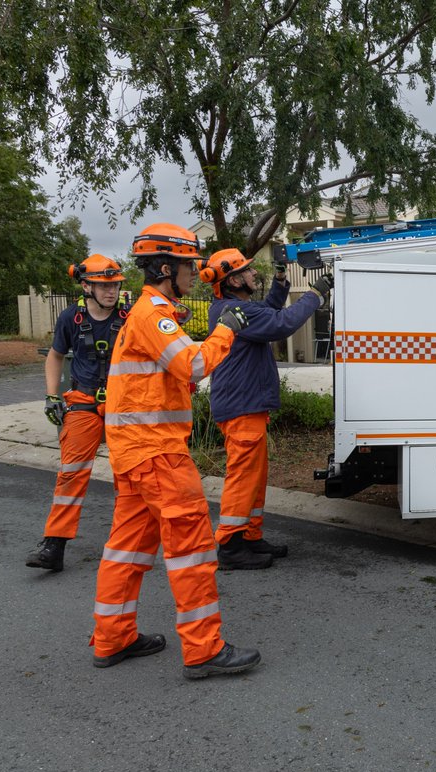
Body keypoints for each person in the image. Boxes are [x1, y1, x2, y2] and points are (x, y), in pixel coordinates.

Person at [90, 222, 260, 679]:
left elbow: (170, 371)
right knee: (193, 549)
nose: (194, 272)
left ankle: (113, 637)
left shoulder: (150, 314)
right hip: (158, 454)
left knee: (126, 549)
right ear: (167, 268)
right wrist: (224, 329)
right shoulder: (152, 314)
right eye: (188, 265)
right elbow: (195, 364)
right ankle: (203, 650)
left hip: (135, 453)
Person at [200, 249, 333, 569]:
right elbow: (282, 322)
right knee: (243, 478)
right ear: (233, 280)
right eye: (247, 271)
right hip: (241, 406)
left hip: (245, 405)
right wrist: (315, 294)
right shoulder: (234, 309)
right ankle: (230, 546)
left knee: (255, 478)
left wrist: (281, 280)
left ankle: (249, 537)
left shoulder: (233, 307)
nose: (252, 274)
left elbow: (269, 310)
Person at [27, 255, 129, 572]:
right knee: (71, 474)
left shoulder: (131, 316)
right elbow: (55, 356)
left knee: (129, 474)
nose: (111, 291)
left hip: (123, 404)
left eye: (114, 285)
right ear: (87, 286)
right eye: (103, 285)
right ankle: (53, 546)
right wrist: (51, 395)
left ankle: (131, 541)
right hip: (83, 402)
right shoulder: (70, 318)